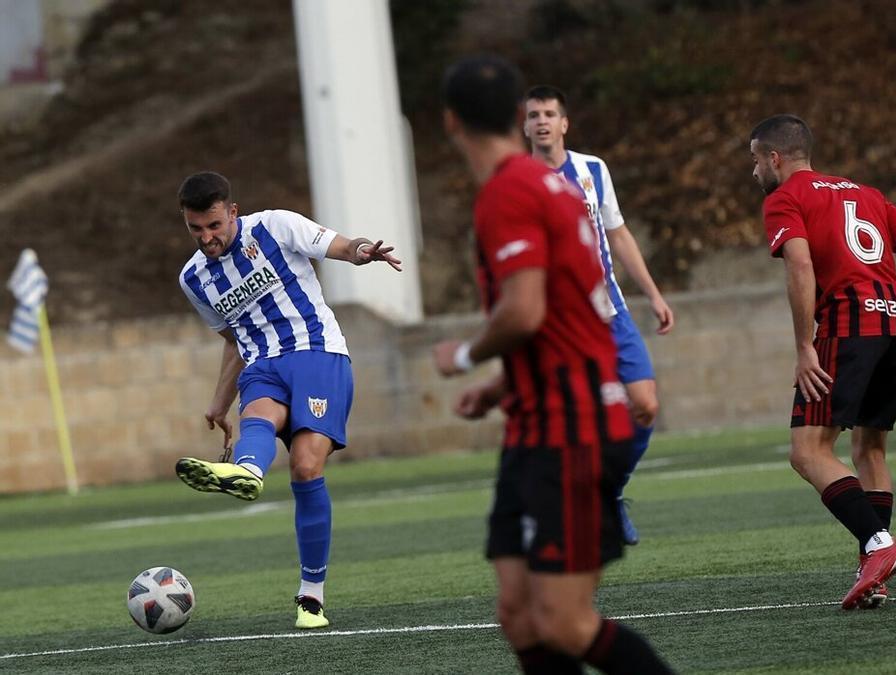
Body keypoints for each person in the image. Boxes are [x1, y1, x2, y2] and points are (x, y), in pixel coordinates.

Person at [433, 55, 673, 674]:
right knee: (517, 614)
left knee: (563, 623)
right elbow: (567, 317)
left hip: (571, 426)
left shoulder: (508, 193)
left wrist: (462, 357)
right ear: (519, 117)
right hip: (535, 418)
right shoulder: (557, 188)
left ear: (451, 123)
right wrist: (501, 385)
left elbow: (526, 311)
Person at [749, 114, 896, 609]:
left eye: (755, 161)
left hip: (849, 326)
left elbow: (800, 264)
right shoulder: (865, 193)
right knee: (869, 450)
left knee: (807, 451)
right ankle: (876, 569)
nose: (754, 172)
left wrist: (805, 346)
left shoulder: (785, 198)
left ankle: (878, 545)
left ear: (774, 158)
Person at [173, 171, 403, 628]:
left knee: (304, 465)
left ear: (232, 211)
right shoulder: (194, 279)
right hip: (262, 365)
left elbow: (337, 245)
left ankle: (311, 597)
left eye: (214, 226)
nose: (207, 237)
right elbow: (233, 340)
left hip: (317, 353)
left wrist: (361, 251)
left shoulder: (274, 227)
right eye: (196, 229)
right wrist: (219, 403)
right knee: (256, 415)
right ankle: (247, 472)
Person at [523, 84, 674, 545]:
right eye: (533, 115)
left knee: (645, 405)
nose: (542, 121)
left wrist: (653, 293)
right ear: (525, 126)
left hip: (612, 311)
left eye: (550, 113)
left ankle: (610, 491)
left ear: (564, 122)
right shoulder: (515, 179)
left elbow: (619, 234)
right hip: (559, 323)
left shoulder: (593, 169)